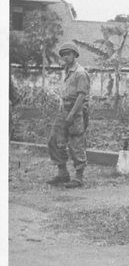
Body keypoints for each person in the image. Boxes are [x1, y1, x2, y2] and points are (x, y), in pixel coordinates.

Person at [46, 42, 90, 188]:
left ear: (75, 55)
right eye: (63, 54)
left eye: (68, 54)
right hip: (63, 110)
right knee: (54, 139)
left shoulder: (80, 73)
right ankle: (62, 173)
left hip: (76, 111)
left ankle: (79, 178)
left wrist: (71, 115)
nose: (66, 57)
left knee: (76, 143)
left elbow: (81, 96)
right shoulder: (66, 71)